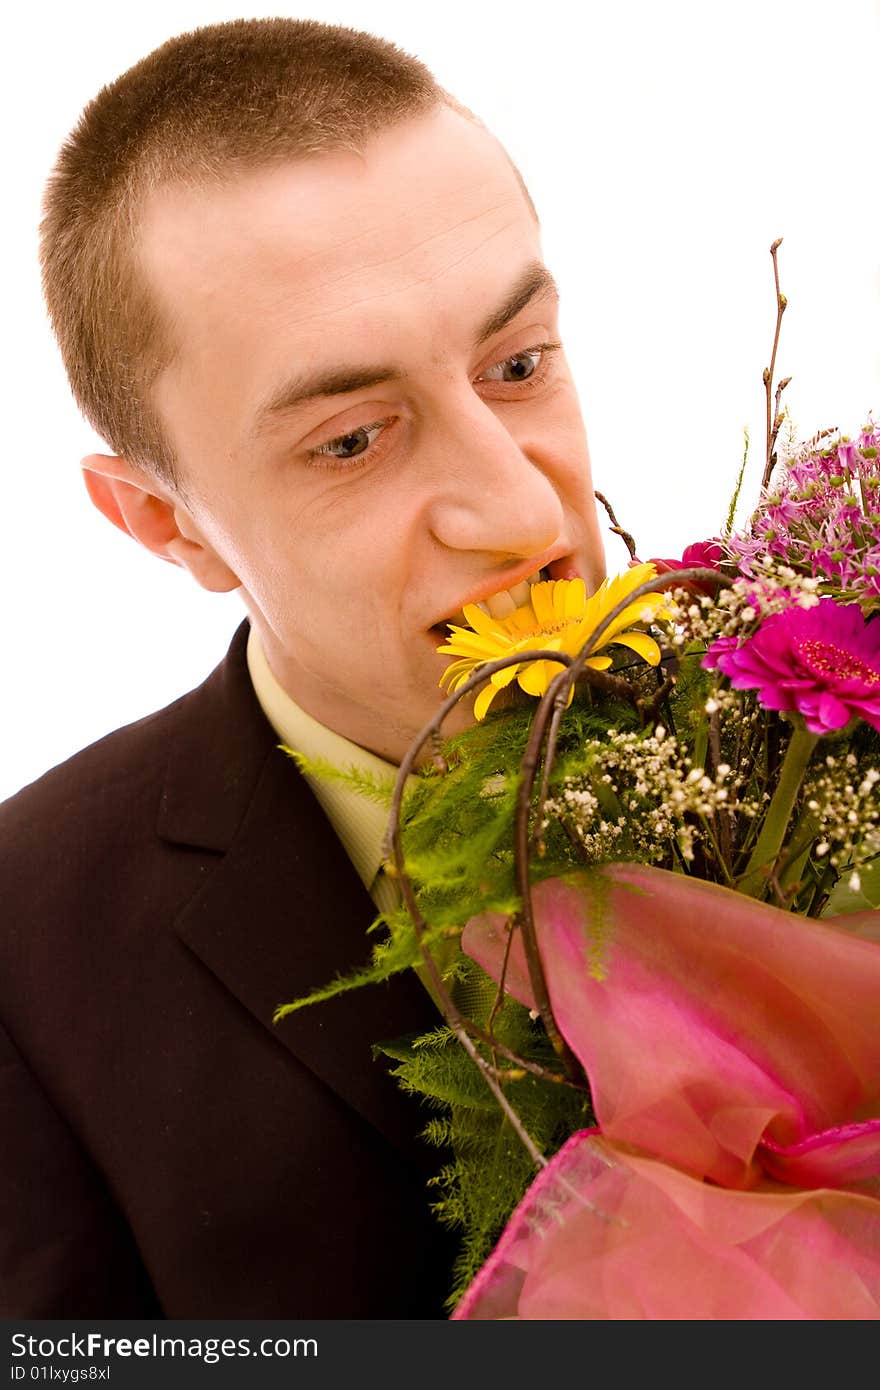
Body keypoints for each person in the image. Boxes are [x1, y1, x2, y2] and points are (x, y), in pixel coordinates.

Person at [0, 16, 606, 1318]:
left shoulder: (827, 721)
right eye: (352, 441)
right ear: (165, 523)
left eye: (517, 366)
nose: (519, 516)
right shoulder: (22, 954)